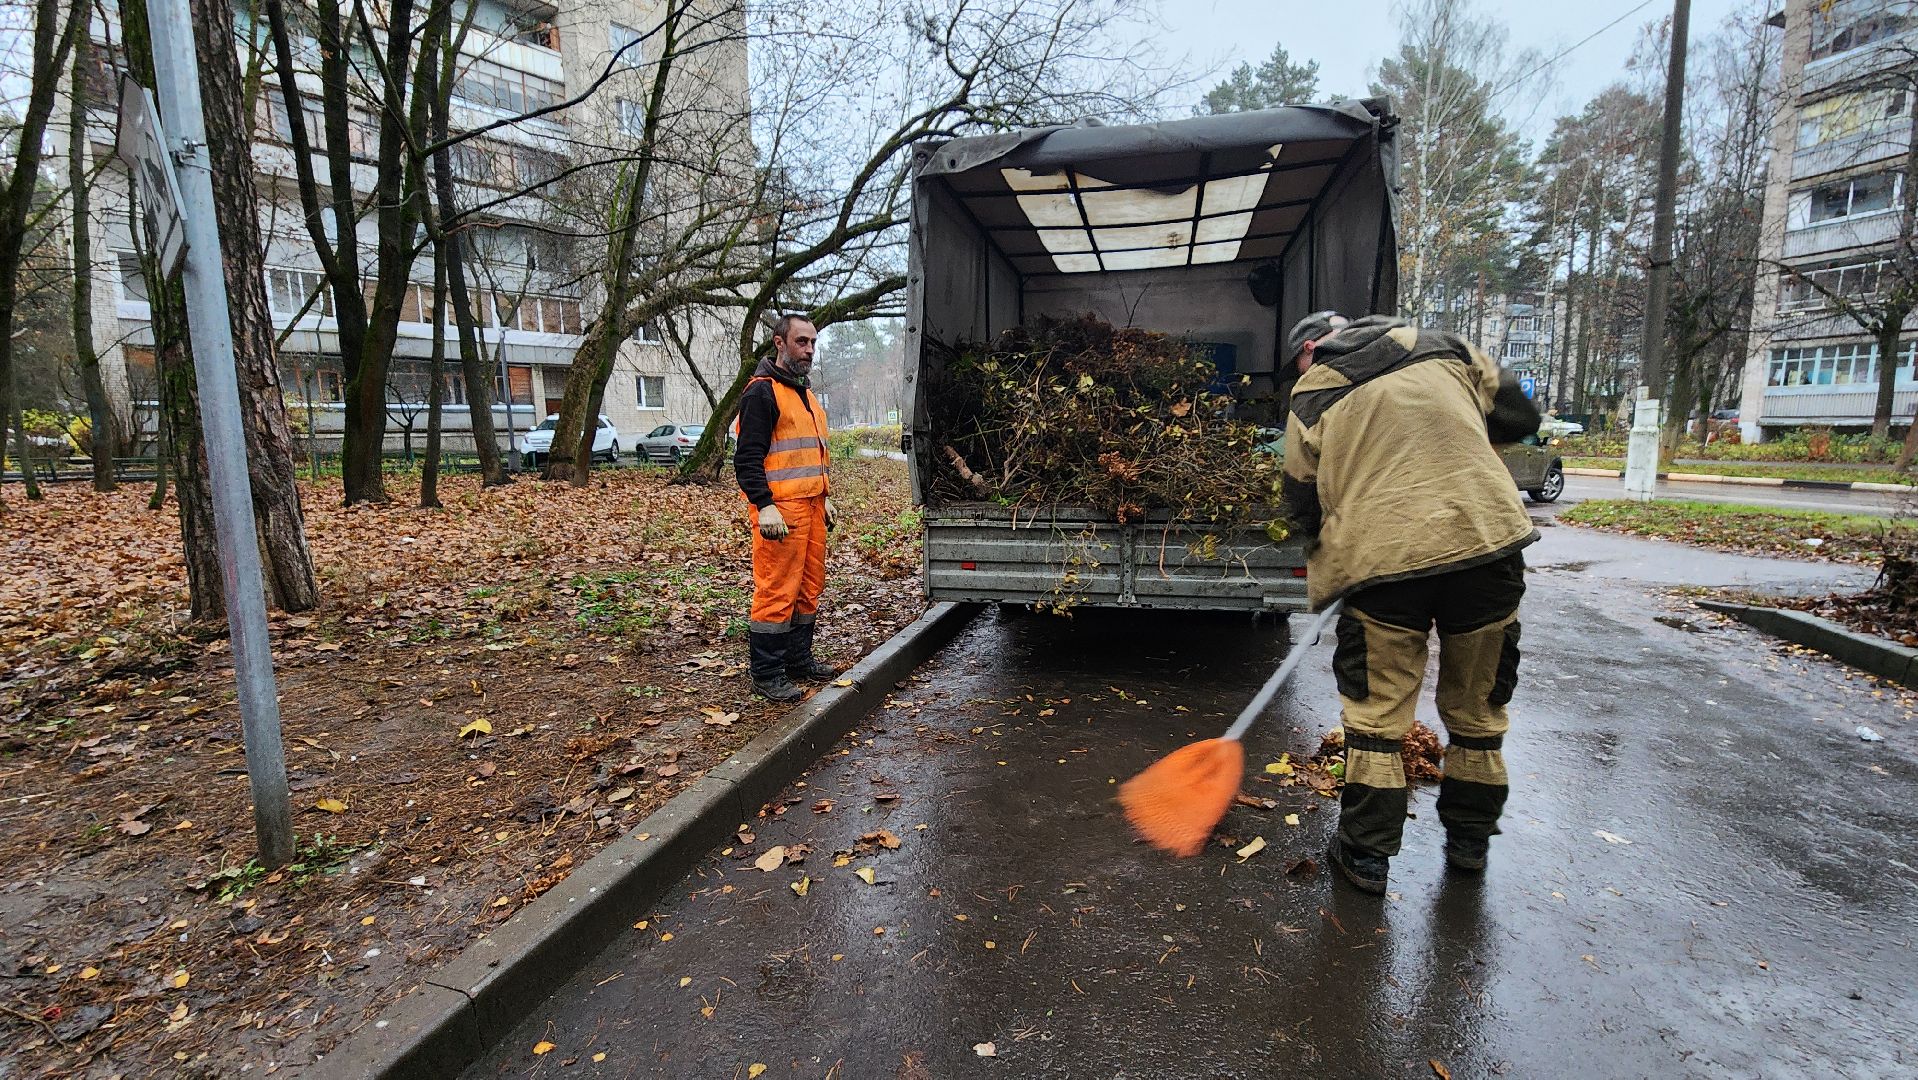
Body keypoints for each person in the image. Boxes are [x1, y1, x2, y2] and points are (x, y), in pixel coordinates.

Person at [1280, 311, 1541, 895]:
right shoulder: (1447, 347)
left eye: (1299, 359)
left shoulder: (1315, 389)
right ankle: (1470, 844)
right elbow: (1523, 415)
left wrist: (1331, 546)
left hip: (1384, 564)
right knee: (1479, 709)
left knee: (1377, 714)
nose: (1303, 367)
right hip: (1487, 544)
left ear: (1312, 348)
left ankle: (1366, 856)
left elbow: (1300, 494)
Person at [734, 314, 838, 702]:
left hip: (811, 508)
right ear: (779, 343)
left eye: (812, 342)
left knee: (808, 588)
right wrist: (764, 507)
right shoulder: (761, 393)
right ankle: (767, 673)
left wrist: (824, 498)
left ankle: (798, 659)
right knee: (778, 590)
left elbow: (813, 456)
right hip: (781, 511)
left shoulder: (805, 395)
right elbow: (747, 459)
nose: (809, 349)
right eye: (801, 342)